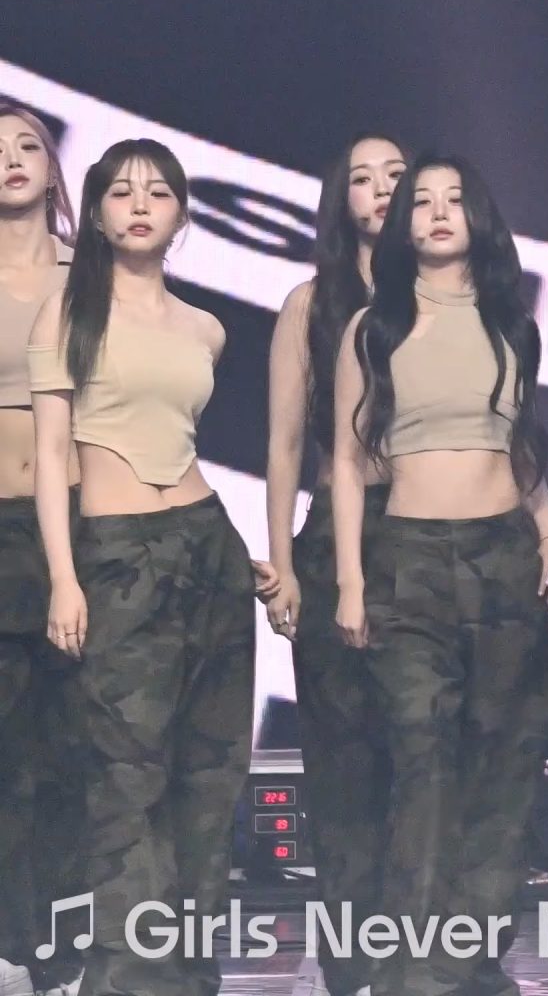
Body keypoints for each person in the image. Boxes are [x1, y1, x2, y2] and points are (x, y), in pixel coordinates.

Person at [332, 155, 548, 996]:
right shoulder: (375, 327)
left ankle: (473, 959)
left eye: (454, 199)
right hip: (411, 561)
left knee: (504, 760)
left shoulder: (513, 323)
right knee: (422, 758)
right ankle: (416, 967)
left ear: (479, 217)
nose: (437, 212)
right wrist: (351, 581)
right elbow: (350, 462)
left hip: (504, 557)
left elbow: (520, 444)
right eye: (421, 201)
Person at [33, 140, 247, 996]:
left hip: (207, 545)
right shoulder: (68, 315)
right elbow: (53, 455)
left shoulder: (206, 327)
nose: (140, 205)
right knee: (127, 776)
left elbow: (182, 437)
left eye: (158, 192)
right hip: (115, 550)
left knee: (210, 774)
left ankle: (191, 974)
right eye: (121, 192)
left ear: (181, 213)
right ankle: (127, 978)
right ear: (94, 212)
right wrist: (64, 576)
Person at [259, 131, 408, 996]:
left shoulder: (450, 301)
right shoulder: (310, 304)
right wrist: (282, 565)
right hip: (333, 540)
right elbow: (284, 445)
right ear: (340, 199)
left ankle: (425, 959)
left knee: (425, 762)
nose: (381, 189)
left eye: (397, 175)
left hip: (433, 539)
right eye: (362, 177)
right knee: (345, 767)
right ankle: (354, 970)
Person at [0, 104, 75, 996]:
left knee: (65, 750)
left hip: (72, 530)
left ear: (54, 168)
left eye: (28, 146)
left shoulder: (86, 273)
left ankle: (58, 942)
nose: (12, 160)